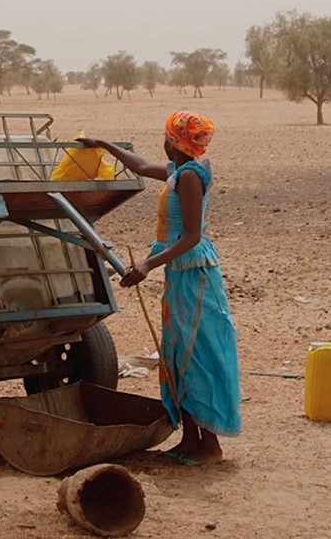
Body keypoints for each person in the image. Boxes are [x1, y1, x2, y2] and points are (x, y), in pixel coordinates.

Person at [80, 111, 241, 465]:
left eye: (165, 137)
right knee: (176, 352)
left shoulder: (189, 178)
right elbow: (140, 166)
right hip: (180, 272)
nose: (162, 143)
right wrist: (104, 145)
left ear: (174, 141)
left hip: (194, 275)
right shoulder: (178, 172)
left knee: (194, 353)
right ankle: (190, 439)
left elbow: (192, 236)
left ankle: (210, 446)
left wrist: (147, 265)